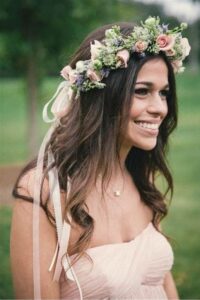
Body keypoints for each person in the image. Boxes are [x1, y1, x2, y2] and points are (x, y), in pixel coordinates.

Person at [10, 16, 190, 299]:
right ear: (101, 96)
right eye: (142, 91)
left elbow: (161, 283)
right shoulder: (44, 193)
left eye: (164, 93)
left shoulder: (143, 176)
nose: (160, 108)